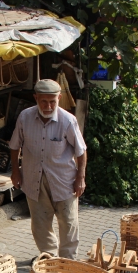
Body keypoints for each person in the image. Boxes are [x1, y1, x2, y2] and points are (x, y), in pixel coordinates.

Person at [9, 79, 87, 260]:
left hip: (64, 181)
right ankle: (48, 257)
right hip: (33, 179)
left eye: (53, 101)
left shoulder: (68, 121)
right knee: (40, 224)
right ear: (36, 98)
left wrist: (80, 178)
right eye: (44, 101)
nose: (48, 105)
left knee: (68, 223)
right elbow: (15, 146)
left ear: (59, 98)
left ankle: (68, 262)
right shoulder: (25, 117)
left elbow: (81, 152)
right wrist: (15, 171)